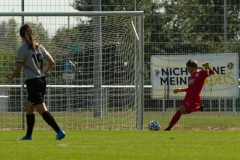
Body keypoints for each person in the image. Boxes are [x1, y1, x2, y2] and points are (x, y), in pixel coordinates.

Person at [7, 24, 66, 140]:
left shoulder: (22, 49)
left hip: (33, 83)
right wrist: (43, 72)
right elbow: (52, 61)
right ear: (32, 34)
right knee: (29, 107)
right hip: (42, 80)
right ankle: (28, 135)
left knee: (42, 110)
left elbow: (18, 69)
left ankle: (59, 131)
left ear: (20, 36)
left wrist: (11, 78)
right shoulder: (39, 47)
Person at [164, 59, 214, 131]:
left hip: (194, 98)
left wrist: (208, 67)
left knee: (180, 111)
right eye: (187, 68)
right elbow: (190, 89)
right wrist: (181, 90)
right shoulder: (191, 77)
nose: (188, 70)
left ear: (194, 67)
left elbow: (212, 72)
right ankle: (198, 108)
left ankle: (168, 128)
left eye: (189, 68)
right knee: (184, 112)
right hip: (187, 97)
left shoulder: (201, 74)